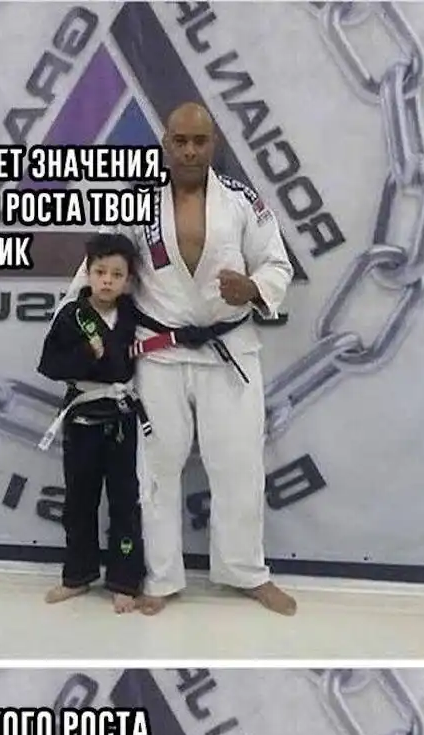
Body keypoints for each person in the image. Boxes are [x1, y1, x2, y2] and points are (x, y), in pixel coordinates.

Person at [55, 102, 296, 617]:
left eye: (199, 141)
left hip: (228, 351)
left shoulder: (242, 201)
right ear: (165, 144)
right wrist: (73, 325)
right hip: (158, 354)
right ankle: (162, 577)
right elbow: (100, 266)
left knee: (239, 466)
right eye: (180, 141)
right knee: (156, 471)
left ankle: (247, 571)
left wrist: (253, 287)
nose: (189, 150)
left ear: (214, 144)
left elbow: (277, 263)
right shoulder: (138, 202)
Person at [37, 234, 145, 613]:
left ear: (128, 279)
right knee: (79, 502)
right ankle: (77, 576)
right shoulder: (72, 315)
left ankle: (124, 581)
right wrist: (87, 352)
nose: (107, 281)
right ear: (88, 273)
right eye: (100, 272)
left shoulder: (134, 314)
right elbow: (49, 365)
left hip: (122, 418)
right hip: (82, 418)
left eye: (116, 274)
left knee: (125, 502)